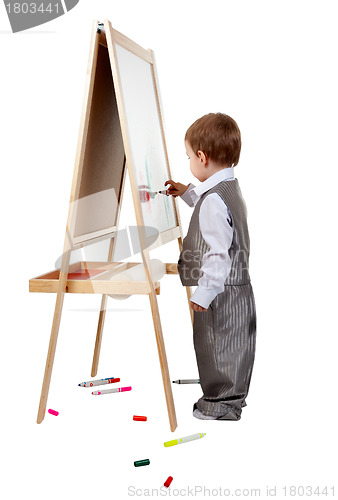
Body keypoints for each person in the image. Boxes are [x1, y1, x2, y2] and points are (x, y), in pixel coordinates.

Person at [165, 113, 256, 420]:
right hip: (235, 289)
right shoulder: (226, 188)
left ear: (201, 157)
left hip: (221, 291)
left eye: (189, 156)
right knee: (232, 348)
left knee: (219, 349)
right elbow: (213, 210)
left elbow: (219, 254)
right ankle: (225, 401)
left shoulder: (213, 202)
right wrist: (187, 192)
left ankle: (221, 405)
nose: (189, 161)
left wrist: (203, 294)